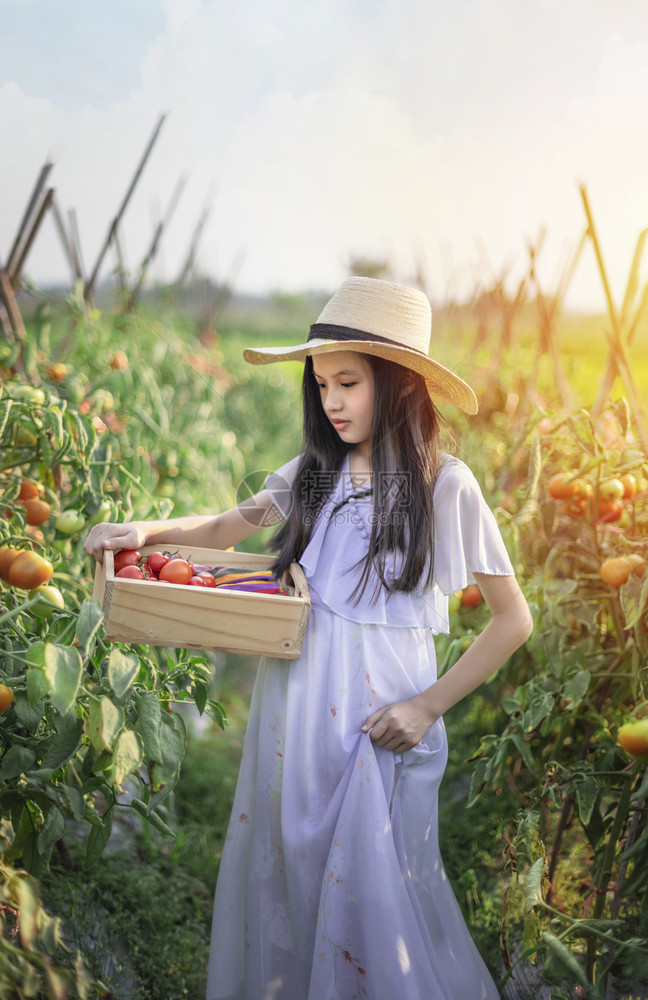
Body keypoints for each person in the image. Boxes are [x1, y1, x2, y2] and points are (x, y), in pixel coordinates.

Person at [84, 277, 533, 1000]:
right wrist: (143, 532)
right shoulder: (321, 474)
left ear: (400, 385)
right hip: (296, 707)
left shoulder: (446, 486)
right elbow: (228, 526)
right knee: (297, 857)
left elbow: (515, 619)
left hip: (382, 719)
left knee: (375, 881)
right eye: (322, 383)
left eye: (348, 383)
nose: (332, 400)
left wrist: (426, 708)